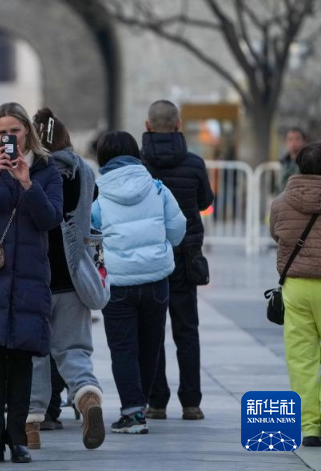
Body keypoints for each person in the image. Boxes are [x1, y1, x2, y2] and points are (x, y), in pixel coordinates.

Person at [0, 102, 63, 465]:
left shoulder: (47, 171)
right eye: (2, 132)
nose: (9, 137)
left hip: (29, 278)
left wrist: (27, 183)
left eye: (15, 131)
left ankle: (18, 439)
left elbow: (50, 219)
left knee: (22, 362)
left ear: (27, 132)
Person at [92, 131, 186, 434]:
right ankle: (140, 404)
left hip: (118, 282)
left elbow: (90, 231)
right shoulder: (157, 188)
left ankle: (132, 412)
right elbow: (178, 228)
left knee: (123, 348)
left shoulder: (98, 193)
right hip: (156, 279)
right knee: (151, 345)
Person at [26, 109, 105, 451]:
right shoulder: (83, 171)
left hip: (36, 277)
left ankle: (31, 426)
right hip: (74, 278)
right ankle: (88, 398)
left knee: (34, 355)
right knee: (74, 351)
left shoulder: (31, 172)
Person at [140, 100, 214, 421]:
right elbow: (205, 201)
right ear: (179, 124)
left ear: (147, 126)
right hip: (185, 257)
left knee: (152, 332)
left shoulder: (138, 165)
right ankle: (191, 403)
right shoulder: (194, 163)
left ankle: (156, 401)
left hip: (150, 257)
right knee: (187, 332)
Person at [270, 142, 321, 447]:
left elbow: (276, 234)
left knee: (302, 358)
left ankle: (311, 427)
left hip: (296, 286)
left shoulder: (280, 203)